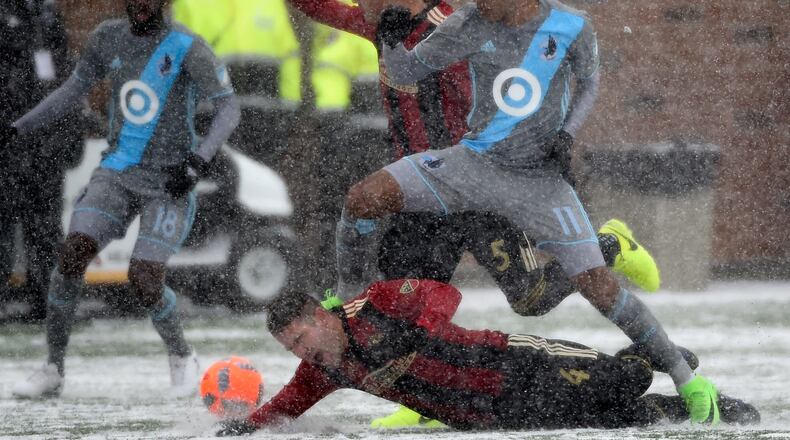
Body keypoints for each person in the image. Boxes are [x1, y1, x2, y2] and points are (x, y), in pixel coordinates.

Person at [328, 0, 722, 425]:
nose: (477, 4)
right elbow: (405, 73)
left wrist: (567, 135)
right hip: (471, 166)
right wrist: (389, 40)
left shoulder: (570, 26)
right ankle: (349, 295)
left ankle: (691, 384)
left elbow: (590, 81)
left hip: (539, 183)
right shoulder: (469, 21)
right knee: (363, 198)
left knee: (590, 289)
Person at [1, 0, 240, 398]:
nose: (142, 6)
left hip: (168, 181)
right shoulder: (107, 37)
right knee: (73, 253)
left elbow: (228, 106)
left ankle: (182, 355)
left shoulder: (186, 45)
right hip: (116, 172)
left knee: (144, 277)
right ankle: (52, 368)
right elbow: (73, 90)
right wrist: (18, 128)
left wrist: (199, 160)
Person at [215, 280, 759, 435]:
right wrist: (241, 428)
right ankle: (687, 411)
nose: (300, 352)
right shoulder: (322, 370)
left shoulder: (372, 306)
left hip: (511, 362)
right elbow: (284, 406)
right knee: (608, 418)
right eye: (289, 348)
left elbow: (441, 295)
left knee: (620, 383)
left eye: (299, 337)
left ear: (318, 315)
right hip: (484, 415)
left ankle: (642, 356)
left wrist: (426, 329)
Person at [0, 0, 84, 322]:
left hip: (44, 149)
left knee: (45, 230)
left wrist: (70, 132)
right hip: (9, 148)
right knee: (5, 230)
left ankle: (47, 301)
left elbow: (67, 80)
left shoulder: (47, 17)